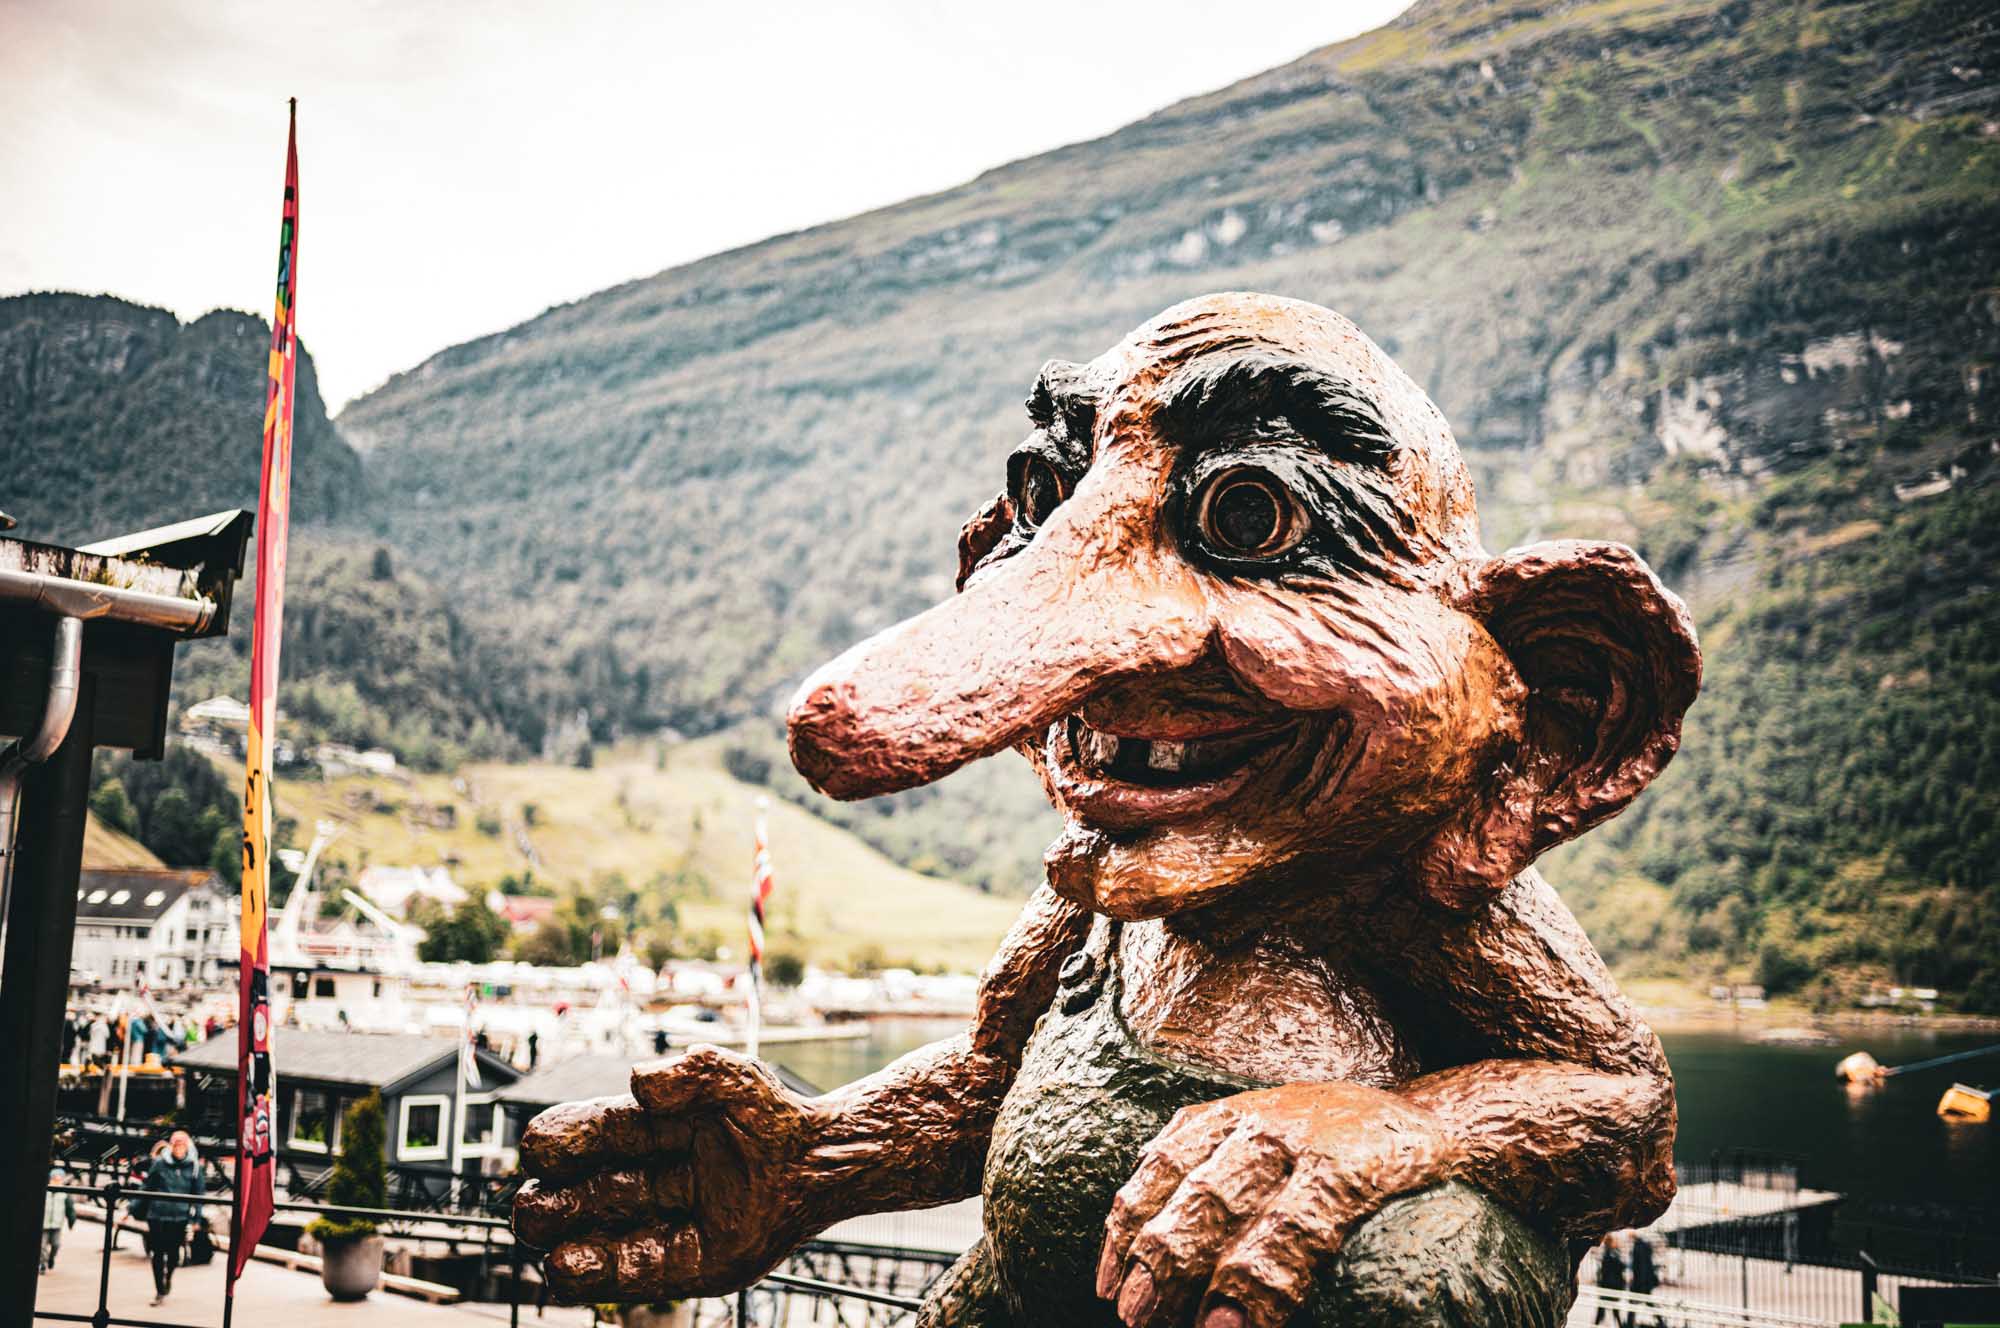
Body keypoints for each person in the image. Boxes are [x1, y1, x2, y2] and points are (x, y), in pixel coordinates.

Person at [141, 1131, 204, 1305]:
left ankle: (168, 1276)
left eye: (182, 1145)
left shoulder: (194, 1167)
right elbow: (147, 1187)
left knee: (174, 1254)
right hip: (158, 1214)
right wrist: (133, 1208)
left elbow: (199, 1194)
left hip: (179, 1217)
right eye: (176, 1144)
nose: (178, 1148)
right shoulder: (160, 1163)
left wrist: (196, 1219)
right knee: (158, 1253)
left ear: (187, 1147)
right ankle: (159, 1290)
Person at [41, 1166, 75, 1272]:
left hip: (56, 1225)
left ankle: (51, 1258)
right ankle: (42, 1264)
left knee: (56, 1245)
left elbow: (70, 1209)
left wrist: (71, 1221)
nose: (56, 1180)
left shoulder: (64, 1194)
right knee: (42, 1246)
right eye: (54, 1178)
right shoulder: (45, 1191)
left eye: (59, 1178)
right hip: (44, 1224)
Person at [1628, 1233, 1663, 1326]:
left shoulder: (1638, 1247)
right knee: (1640, 1302)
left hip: (1640, 1282)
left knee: (1635, 1303)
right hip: (1644, 1281)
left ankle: (1629, 1323)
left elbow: (1642, 1267)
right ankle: (1660, 1321)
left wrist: (1641, 1283)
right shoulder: (1644, 1245)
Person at [1593, 1235, 1628, 1324]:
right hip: (1611, 1285)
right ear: (1611, 1242)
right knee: (1607, 1309)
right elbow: (1620, 1267)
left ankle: (1595, 1324)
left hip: (1608, 1285)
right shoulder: (1611, 1254)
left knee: (1606, 1310)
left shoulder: (1609, 1253)